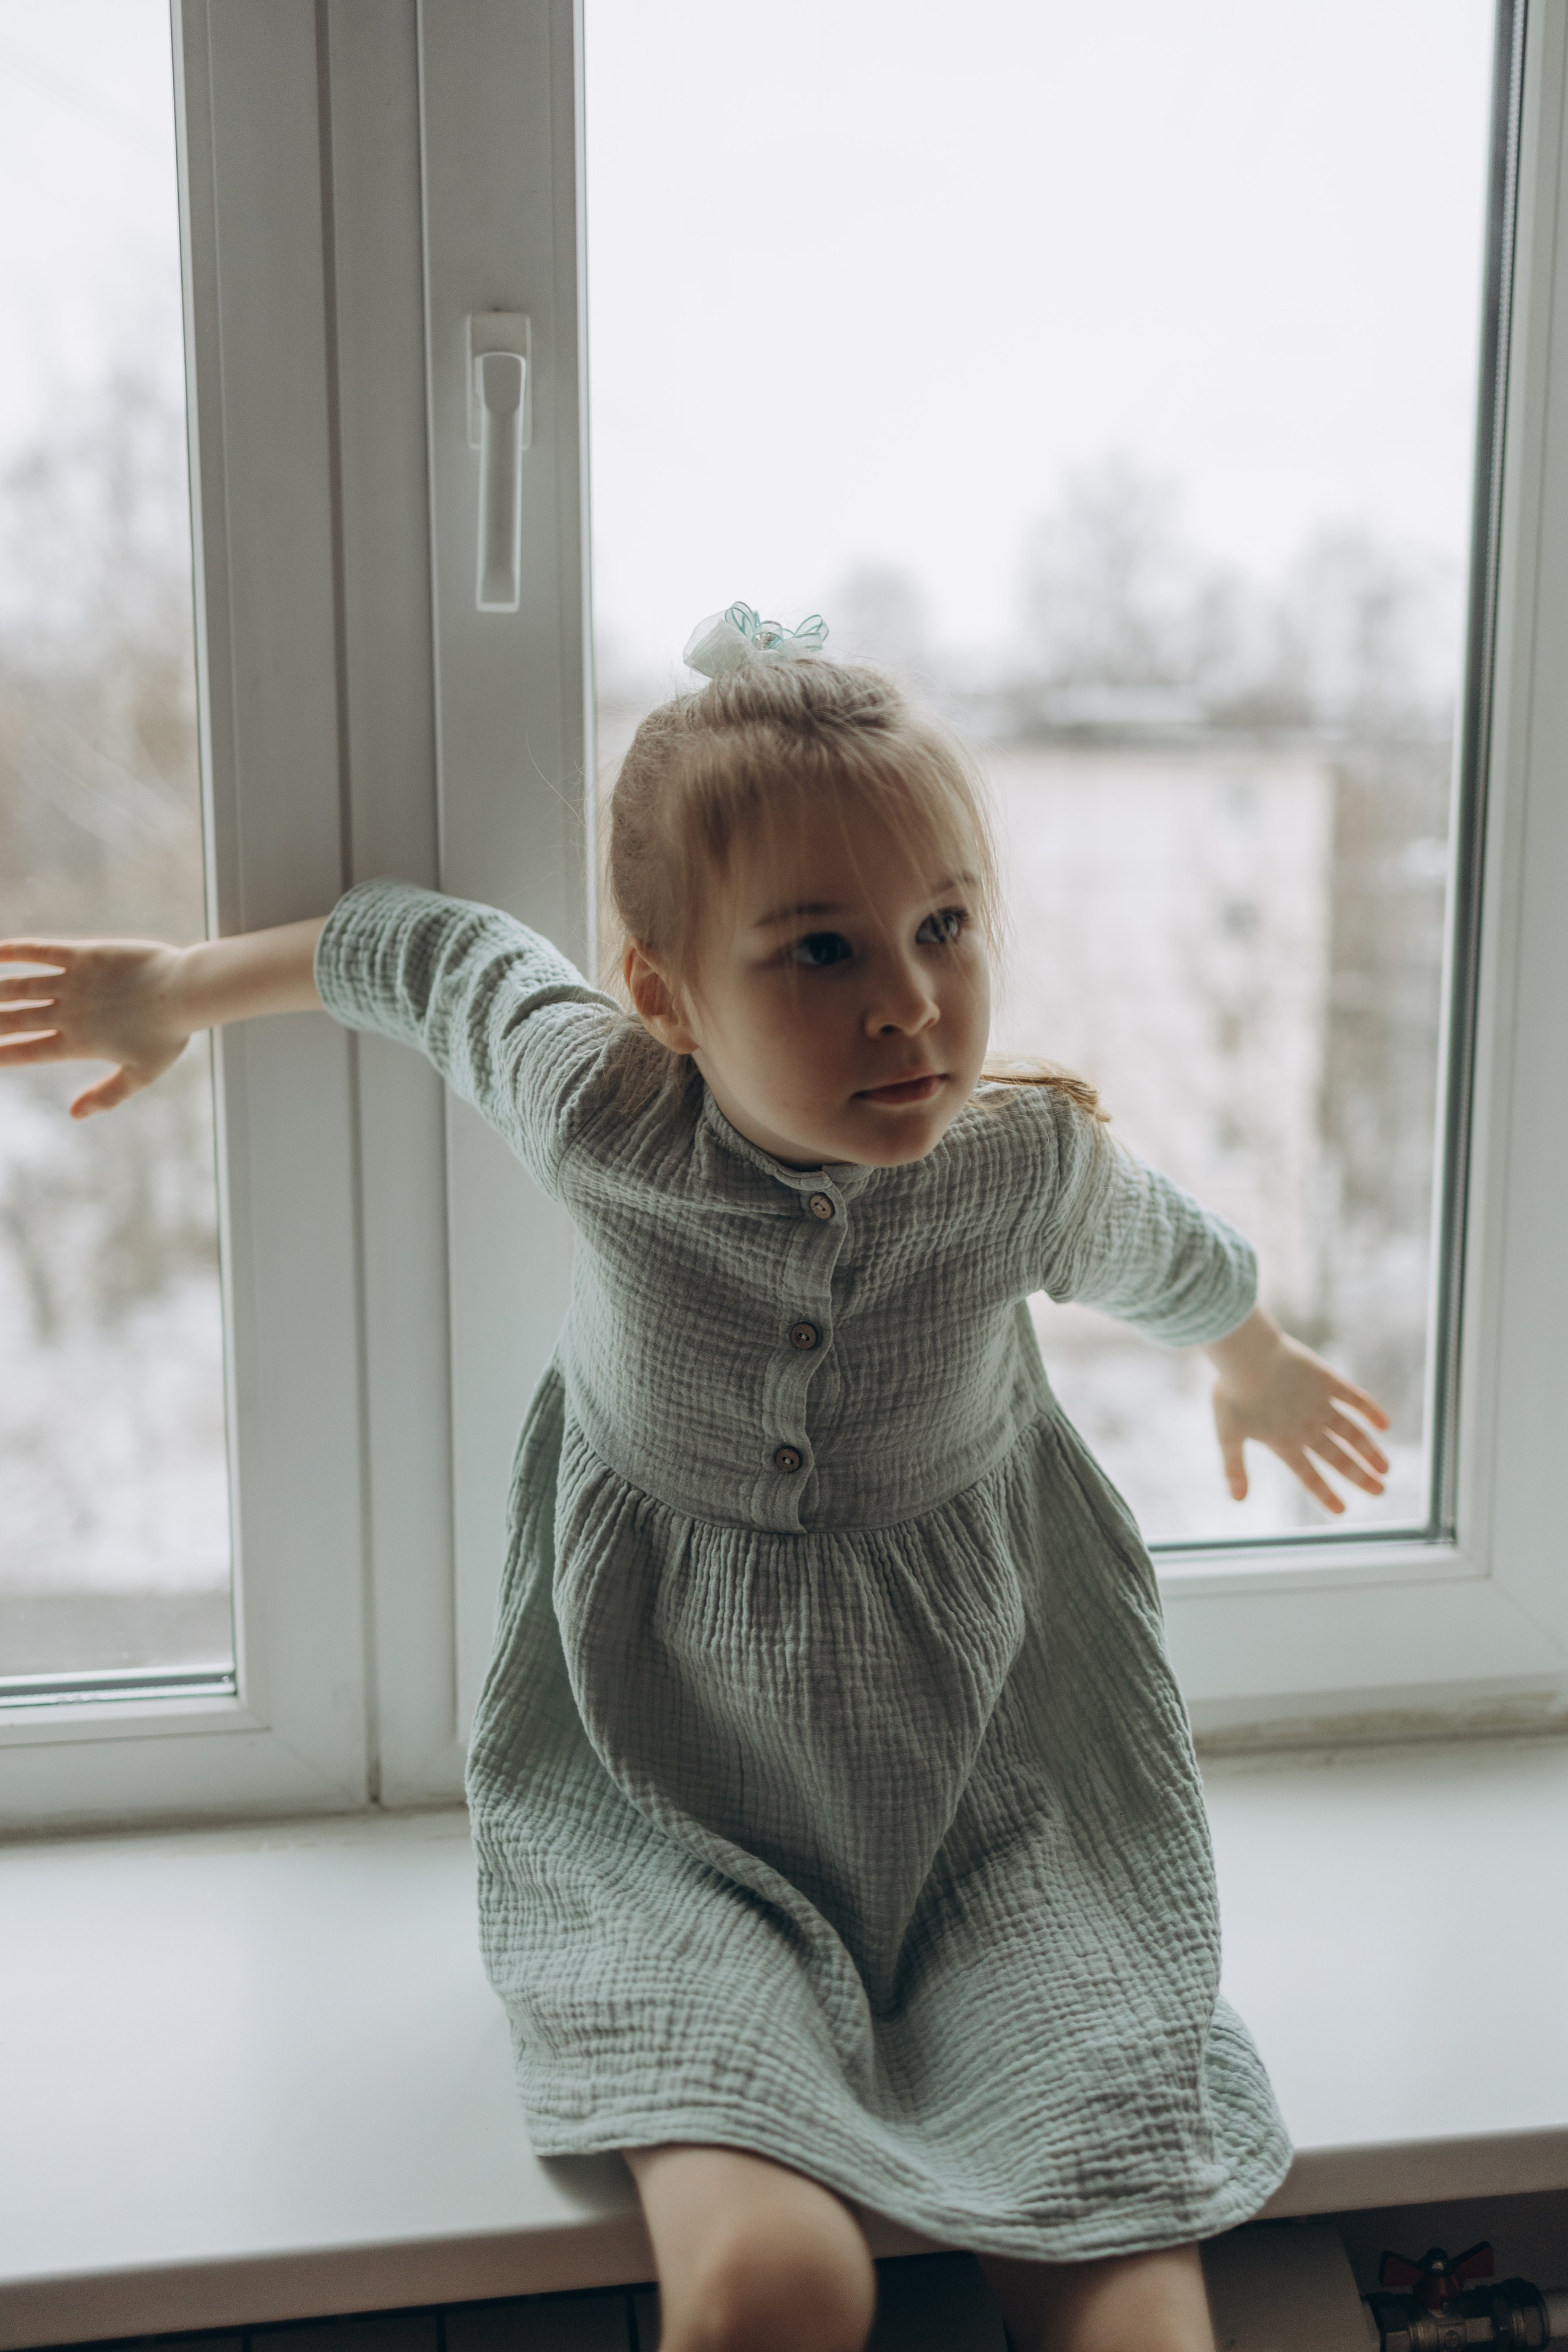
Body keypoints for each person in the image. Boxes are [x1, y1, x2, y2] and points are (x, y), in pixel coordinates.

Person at [0, 607, 1390, 2352]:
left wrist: (1255, 1366)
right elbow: (428, 957)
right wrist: (172, 991)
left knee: (1124, 2273)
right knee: (771, 2286)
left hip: (996, 1787)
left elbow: (1175, 1254)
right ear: (663, 988)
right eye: (818, 953)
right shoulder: (605, 1115)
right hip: (672, 1793)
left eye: (945, 927)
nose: (910, 1002)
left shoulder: (1018, 1167)